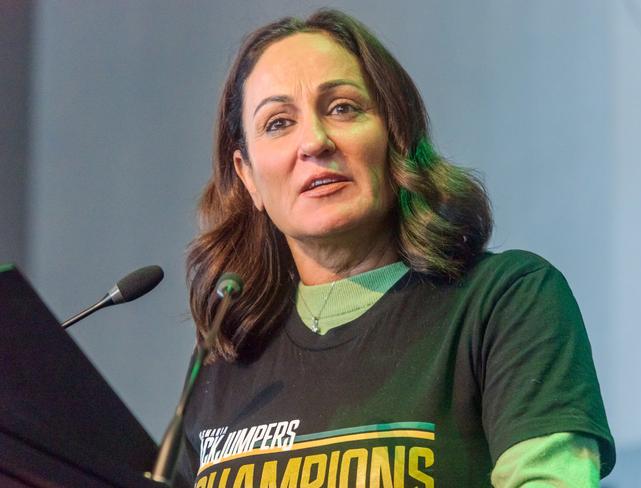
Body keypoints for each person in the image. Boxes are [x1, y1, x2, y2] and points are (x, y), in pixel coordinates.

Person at [176, 9, 615, 487]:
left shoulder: (506, 300)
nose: (315, 142)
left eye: (343, 108)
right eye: (279, 123)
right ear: (248, 177)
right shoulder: (222, 358)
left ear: (396, 136)